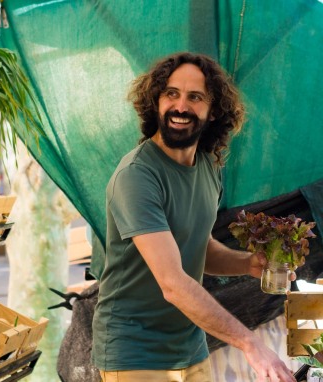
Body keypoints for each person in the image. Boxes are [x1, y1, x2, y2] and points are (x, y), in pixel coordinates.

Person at [91, 52, 296, 382]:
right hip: (134, 352)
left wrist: (248, 263)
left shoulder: (208, 168)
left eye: (194, 97)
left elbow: (199, 246)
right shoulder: (137, 176)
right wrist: (250, 344)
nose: (181, 107)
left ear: (213, 110)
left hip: (189, 347)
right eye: (171, 94)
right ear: (155, 102)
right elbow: (173, 283)